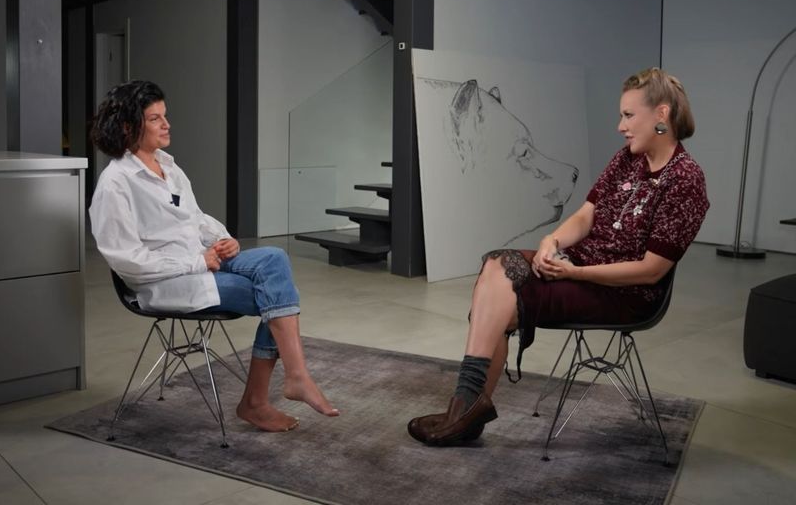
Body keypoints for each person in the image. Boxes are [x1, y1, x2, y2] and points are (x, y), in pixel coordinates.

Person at [408, 67, 709, 446]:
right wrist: (551, 240)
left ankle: (465, 410)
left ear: (661, 114)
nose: (620, 126)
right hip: (578, 268)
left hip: (625, 295)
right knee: (496, 264)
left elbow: (651, 271)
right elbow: (586, 216)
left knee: (497, 299)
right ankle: (466, 409)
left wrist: (575, 274)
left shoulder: (686, 180)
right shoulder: (627, 159)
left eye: (629, 115)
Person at [89, 80, 338, 433]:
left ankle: (291, 380)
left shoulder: (169, 167)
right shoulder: (115, 183)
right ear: (129, 127)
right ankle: (262, 398)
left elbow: (195, 218)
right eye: (155, 119)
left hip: (202, 260)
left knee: (273, 259)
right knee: (278, 297)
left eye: (165, 116)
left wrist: (223, 240)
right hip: (164, 283)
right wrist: (196, 262)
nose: (167, 124)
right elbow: (126, 261)